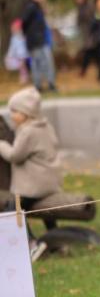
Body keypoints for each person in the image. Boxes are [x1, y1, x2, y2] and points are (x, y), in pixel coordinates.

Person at [0, 86, 63, 261]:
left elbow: (15, 156)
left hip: (34, 186)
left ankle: (31, 244)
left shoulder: (28, 131)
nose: (12, 115)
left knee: (14, 208)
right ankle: (56, 239)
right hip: (50, 183)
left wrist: (1, 145)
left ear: (26, 113)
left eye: (15, 111)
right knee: (47, 212)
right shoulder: (45, 126)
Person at [20, 0, 57, 93]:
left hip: (41, 39)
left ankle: (46, 84)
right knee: (40, 63)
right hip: (35, 40)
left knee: (42, 62)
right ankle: (42, 85)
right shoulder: (31, 7)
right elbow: (23, 22)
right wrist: (28, 35)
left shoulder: (37, 7)